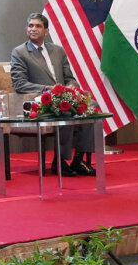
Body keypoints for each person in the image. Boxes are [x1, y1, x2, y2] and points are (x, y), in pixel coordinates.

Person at [10, 13, 94, 176]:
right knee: (64, 110)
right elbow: (19, 84)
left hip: (62, 95)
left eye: (38, 26)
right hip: (40, 99)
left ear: (46, 31)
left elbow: (69, 77)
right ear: (26, 29)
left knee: (91, 106)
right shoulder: (20, 52)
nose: (33, 29)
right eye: (31, 26)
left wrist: (71, 88)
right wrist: (47, 89)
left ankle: (78, 159)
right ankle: (60, 161)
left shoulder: (58, 51)